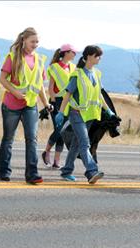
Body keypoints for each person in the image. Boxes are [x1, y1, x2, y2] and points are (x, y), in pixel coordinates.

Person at [0, 27, 53, 184]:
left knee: (32, 139)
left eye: (37, 42)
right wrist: (14, 92)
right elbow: (2, 79)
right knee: (8, 139)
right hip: (11, 105)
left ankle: (32, 174)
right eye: (32, 41)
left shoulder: (40, 59)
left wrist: (46, 102)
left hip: (30, 106)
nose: (35, 44)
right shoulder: (13, 56)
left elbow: (40, 84)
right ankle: (4, 172)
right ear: (24, 40)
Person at [55, 45, 113, 184]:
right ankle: (91, 171)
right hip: (76, 114)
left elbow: (99, 94)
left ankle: (66, 171)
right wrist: (61, 113)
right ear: (89, 57)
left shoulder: (97, 74)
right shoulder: (78, 74)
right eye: (97, 55)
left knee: (76, 143)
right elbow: (68, 94)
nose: (99, 58)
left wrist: (108, 110)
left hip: (90, 115)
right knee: (84, 143)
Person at [42, 44, 77, 169]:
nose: (75, 54)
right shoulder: (54, 67)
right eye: (73, 51)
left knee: (64, 131)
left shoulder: (73, 67)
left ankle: (57, 161)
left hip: (69, 102)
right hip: (57, 101)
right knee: (59, 129)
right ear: (66, 52)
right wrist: (52, 102)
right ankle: (46, 152)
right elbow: (51, 86)